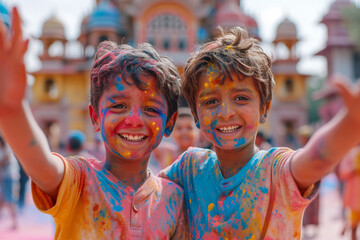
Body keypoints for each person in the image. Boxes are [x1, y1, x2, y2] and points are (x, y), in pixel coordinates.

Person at [0, 8, 187, 239]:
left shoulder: (174, 198)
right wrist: (12, 110)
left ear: (169, 122)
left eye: (150, 109)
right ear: (95, 117)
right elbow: (39, 164)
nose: (134, 119)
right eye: (119, 106)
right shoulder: (79, 182)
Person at [159, 26, 360, 239]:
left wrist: (351, 123)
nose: (226, 113)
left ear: (264, 108)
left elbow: (316, 159)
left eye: (241, 98)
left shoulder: (275, 170)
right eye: (211, 101)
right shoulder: (189, 168)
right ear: (196, 115)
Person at [298, 125, 320, 239]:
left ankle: (314, 226)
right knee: (305, 206)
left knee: (314, 205)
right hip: (304, 182)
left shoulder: (312, 151)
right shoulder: (302, 150)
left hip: (313, 181)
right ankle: (305, 227)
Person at [339, 144, 360, 240]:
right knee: (354, 224)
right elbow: (343, 171)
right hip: (354, 194)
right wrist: (353, 169)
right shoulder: (351, 153)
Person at [0, 136, 18, 230]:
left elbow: (4, 161)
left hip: (9, 177)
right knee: (2, 199)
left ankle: (15, 222)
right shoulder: (3, 149)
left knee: (9, 199)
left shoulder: (6, 148)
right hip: (5, 177)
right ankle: (14, 221)